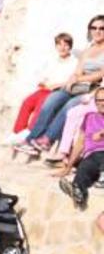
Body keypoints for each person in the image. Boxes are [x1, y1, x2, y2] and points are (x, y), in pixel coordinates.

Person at [18, 16, 104, 154]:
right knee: (51, 100)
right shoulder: (89, 49)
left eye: (101, 28)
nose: (97, 31)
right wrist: (73, 79)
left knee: (70, 106)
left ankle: (47, 140)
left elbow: (100, 75)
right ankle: (30, 140)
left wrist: (79, 78)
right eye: (94, 28)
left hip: (91, 89)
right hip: (77, 85)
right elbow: (78, 70)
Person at [10, 33, 76, 145]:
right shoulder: (53, 60)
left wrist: (58, 85)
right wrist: (42, 82)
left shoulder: (74, 62)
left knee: (43, 104)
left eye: (66, 45)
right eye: (59, 44)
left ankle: (31, 131)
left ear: (70, 46)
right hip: (46, 88)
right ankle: (18, 131)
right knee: (27, 101)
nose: (62, 47)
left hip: (58, 90)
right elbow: (44, 75)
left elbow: (72, 79)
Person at [54, 86, 104, 209]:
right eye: (98, 100)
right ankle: (78, 190)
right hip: (92, 155)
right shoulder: (89, 117)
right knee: (84, 166)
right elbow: (80, 143)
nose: (101, 103)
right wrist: (68, 166)